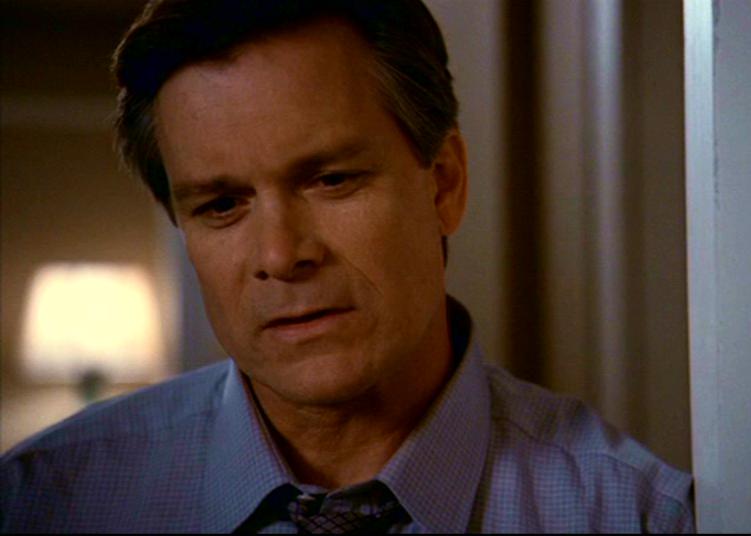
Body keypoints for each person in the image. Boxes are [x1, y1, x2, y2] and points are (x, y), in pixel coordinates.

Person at [0, 1, 693, 532]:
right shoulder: (43, 502)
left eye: (331, 180)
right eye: (221, 205)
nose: (281, 256)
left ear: (445, 183)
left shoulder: (637, 515)